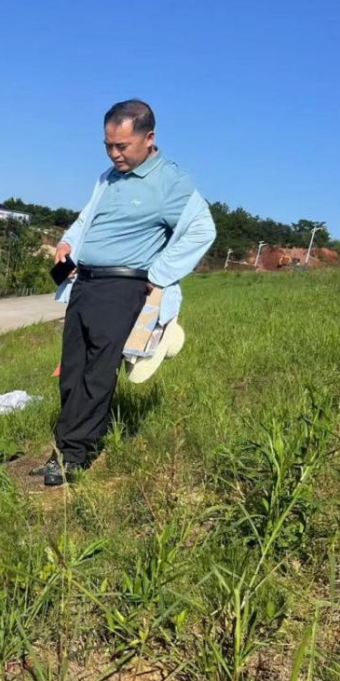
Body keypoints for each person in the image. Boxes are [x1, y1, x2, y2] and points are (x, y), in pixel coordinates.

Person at [34, 100, 216, 486]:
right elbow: (87, 218)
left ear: (149, 138)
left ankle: (74, 456)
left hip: (123, 287)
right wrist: (67, 243)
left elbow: (203, 230)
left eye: (123, 146)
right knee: (71, 372)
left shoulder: (171, 181)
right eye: (108, 145)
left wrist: (161, 273)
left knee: (98, 374)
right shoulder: (108, 178)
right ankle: (64, 446)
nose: (115, 154)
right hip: (84, 282)